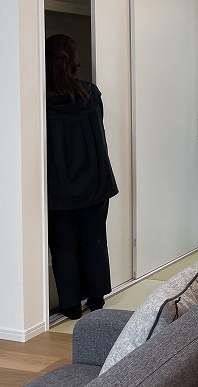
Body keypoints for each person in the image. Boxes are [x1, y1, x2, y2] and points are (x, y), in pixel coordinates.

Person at [45, 34, 118, 319]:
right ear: (75, 62)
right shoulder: (90, 93)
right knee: (94, 239)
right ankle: (97, 299)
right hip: (95, 181)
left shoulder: (42, 101)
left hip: (58, 186)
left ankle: (71, 306)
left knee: (63, 245)